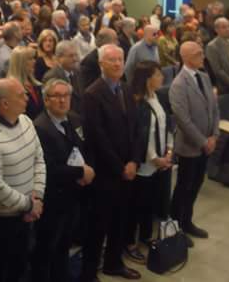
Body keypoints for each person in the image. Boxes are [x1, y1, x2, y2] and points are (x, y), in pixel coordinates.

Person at [0, 77, 46, 282]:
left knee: (21, 269)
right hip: (0, 222)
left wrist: (37, 196)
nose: (26, 98)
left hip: (26, 214)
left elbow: (39, 160)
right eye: (20, 95)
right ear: (5, 103)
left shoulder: (25, 121)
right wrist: (29, 205)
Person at [80, 44, 141, 281]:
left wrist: (134, 161)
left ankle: (113, 263)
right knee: (98, 225)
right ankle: (88, 272)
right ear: (101, 64)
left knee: (120, 220)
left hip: (128, 167)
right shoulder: (92, 94)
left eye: (120, 59)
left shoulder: (125, 89)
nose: (117, 64)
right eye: (112, 60)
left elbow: (136, 128)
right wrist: (120, 166)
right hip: (107, 172)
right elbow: (97, 137)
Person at [32, 78, 94, 282]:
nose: (62, 100)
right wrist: (80, 173)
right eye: (57, 96)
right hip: (52, 200)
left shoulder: (74, 119)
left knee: (64, 245)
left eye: (66, 96)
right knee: (47, 248)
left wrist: (85, 171)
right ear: (46, 100)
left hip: (72, 196)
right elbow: (48, 167)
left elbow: (82, 149)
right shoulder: (40, 127)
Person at [169, 41, 219, 244]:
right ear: (187, 57)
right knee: (184, 187)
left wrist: (214, 135)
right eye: (199, 54)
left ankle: (187, 221)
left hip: (207, 142)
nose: (203, 57)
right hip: (190, 146)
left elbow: (214, 109)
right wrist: (202, 141)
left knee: (197, 184)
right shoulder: (179, 84)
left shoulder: (204, 77)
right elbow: (183, 119)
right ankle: (175, 227)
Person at [125, 61, 173, 263]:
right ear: (147, 79)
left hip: (160, 162)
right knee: (136, 206)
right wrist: (155, 158)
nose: (162, 78)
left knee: (150, 204)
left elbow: (165, 125)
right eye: (158, 75)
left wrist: (169, 150)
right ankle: (129, 243)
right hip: (145, 164)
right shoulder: (137, 102)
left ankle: (145, 236)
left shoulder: (158, 97)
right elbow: (142, 135)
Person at [42, 40, 84, 116]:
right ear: (59, 58)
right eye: (71, 56)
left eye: (76, 55)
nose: (75, 59)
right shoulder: (51, 76)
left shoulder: (78, 72)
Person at [205, 17, 229, 94]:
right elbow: (217, 70)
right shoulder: (212, 46)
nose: (228, 29)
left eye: (228, 26)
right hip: (222, 86)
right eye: (224, 27)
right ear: (216, 30)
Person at [7, 45, 43, 119]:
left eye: (34, 58)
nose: (34, 61)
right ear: (20, 63)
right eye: (30, 59)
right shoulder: (11, 88)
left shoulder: (35, 85)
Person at [79, 28, 118, 92]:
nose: (118, 43)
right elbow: (88, 88)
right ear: (107, 42)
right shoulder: (90, 62)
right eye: (115, 40)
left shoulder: (114, 57)